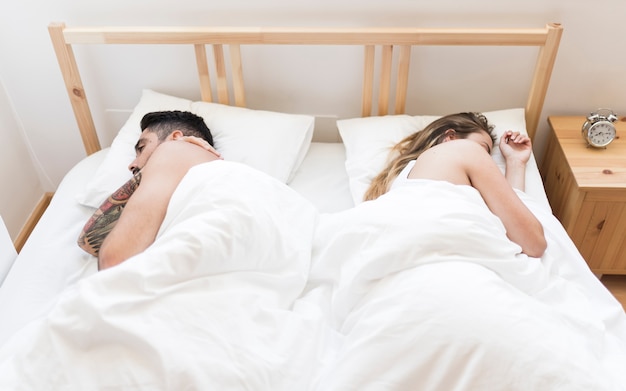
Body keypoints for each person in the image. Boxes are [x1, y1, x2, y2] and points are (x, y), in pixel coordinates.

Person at [363, 112, 546, 258]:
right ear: (450, 137)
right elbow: (532, 242)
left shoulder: (393, 184)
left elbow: (513, 217)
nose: (487, 161)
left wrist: (515, 162)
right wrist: (513, 163)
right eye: (484, 149)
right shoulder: (467, 150)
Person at [78, 110, 221, 270]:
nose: (132, 164)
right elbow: (89, 242)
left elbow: (113, 261)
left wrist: (168, 151)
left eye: (142, 147)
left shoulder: (174, 150)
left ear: (176, 137)